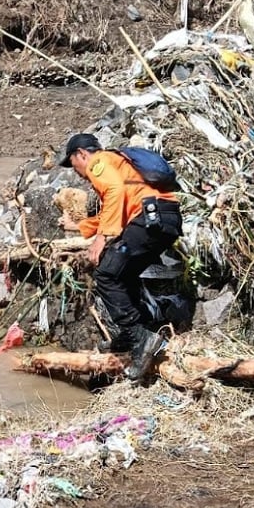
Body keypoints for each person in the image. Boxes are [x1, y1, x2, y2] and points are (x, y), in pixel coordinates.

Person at [58, 133, 183, 380]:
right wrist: (80, 226)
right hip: (164, 218)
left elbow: (115, 193)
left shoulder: (99, 162)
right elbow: (119, 205)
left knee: (106, 274)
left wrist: (101, 238)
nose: (78, 173)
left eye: (75, 165)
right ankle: (134, 334)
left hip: (150, 218)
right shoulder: (120, 165)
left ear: (82, 154)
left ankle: (142, 338)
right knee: (124, 275)